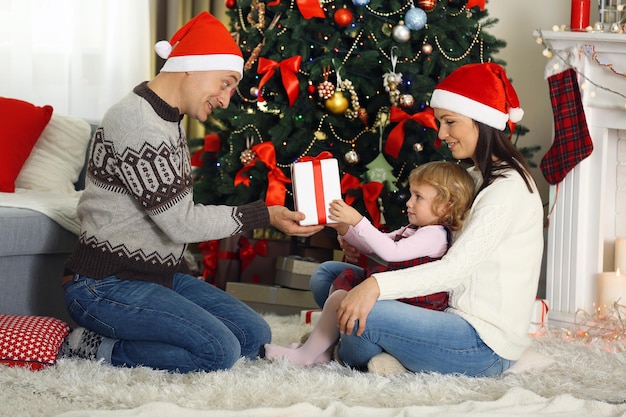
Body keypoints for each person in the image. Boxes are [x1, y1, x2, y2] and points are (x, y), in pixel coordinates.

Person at [59, 12, 323, 373]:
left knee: (254, 335)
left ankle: (148, 332)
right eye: (226, 83)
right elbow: (181, 223)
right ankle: (92, 347)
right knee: (218, 351)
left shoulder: (167, 118)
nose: (227, 99)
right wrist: (266, 214)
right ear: (192, 66)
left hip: (158, 278)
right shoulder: (138, 122)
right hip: (105, 285)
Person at [309, 62, 544, 377]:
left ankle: (374, 354)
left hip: (480, 342)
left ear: (481, 121)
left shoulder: (508, 191)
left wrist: (376, 285)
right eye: (440, 123)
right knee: (328, 276)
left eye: (450, 122)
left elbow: (452, 271)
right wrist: (361, 246)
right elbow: (414, 244)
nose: (442, 133)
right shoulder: (473, 178)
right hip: (440, 311)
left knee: (362, 313)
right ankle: (392, 352)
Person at [263, 161, 475, 366]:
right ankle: (323, 349)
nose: (409, 202)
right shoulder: (414, 228)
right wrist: (344, 228)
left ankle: (306, 356)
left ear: (446, 207)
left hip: (412, 304)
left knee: (341, 297)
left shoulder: (434, 235)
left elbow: (391, 252)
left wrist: (358, 221)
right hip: (398, 295)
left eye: (418, 197)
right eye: (411, 194)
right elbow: (374, 248)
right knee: (340, 286)